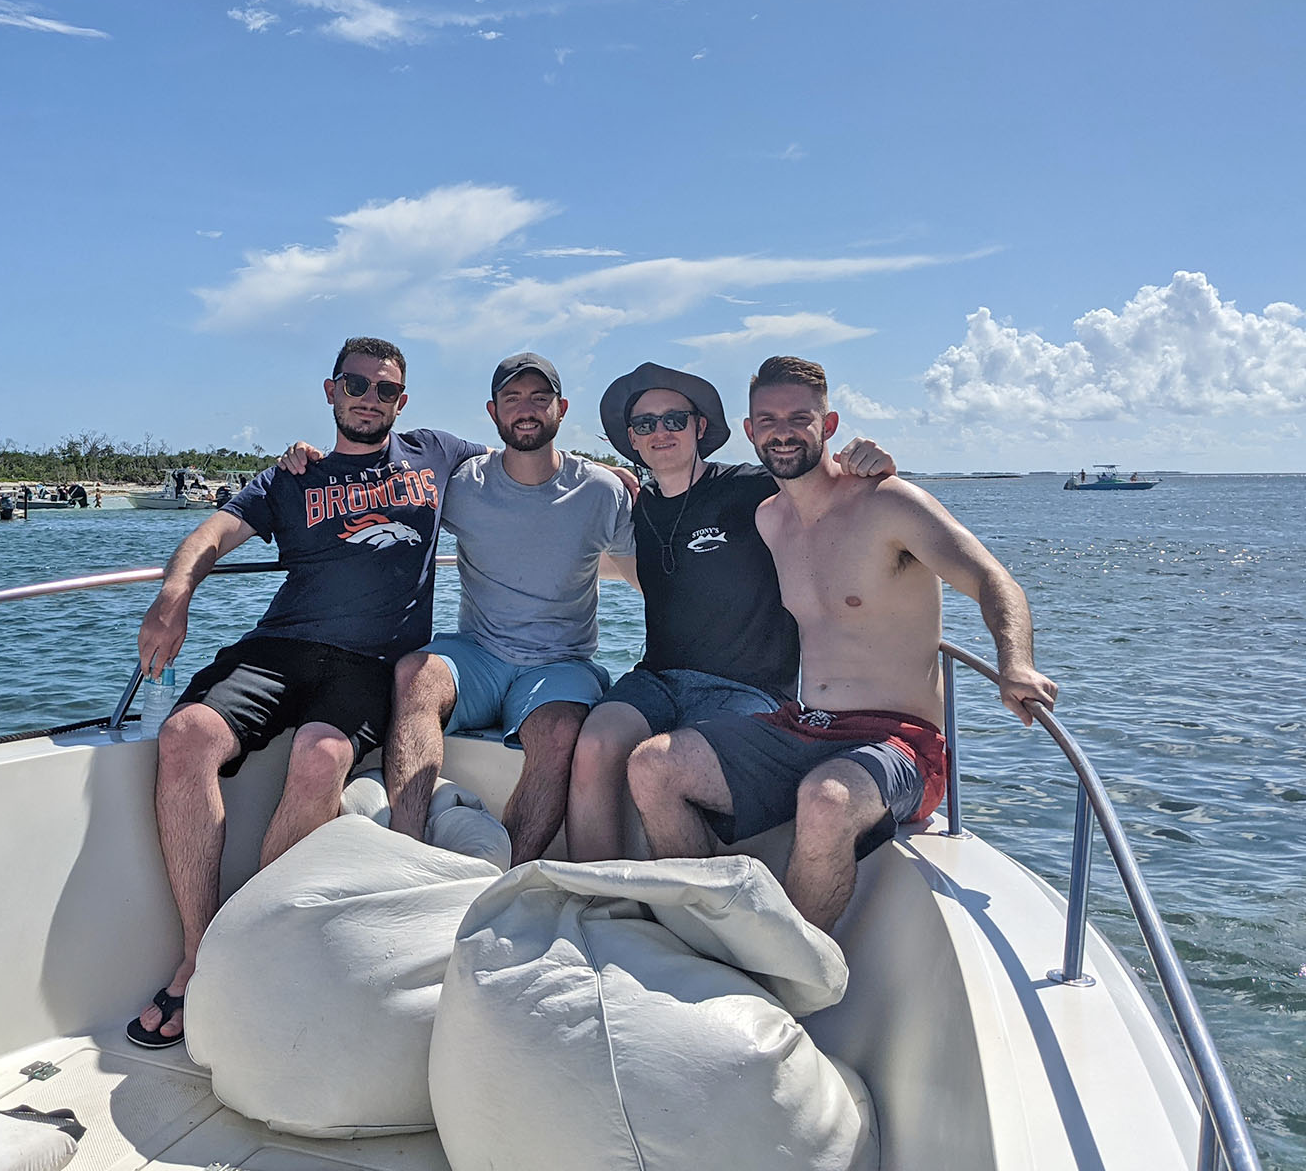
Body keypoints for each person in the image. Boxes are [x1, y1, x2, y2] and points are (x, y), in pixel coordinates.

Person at [126, 337, 485, 1049]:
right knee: (185, 735)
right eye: (356, 384)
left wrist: (609, 474)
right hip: (279, 648)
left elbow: (526, 461)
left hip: (369, 662)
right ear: (331, 390)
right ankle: (200, 954)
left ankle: (249, 945)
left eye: (385, 389)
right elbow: (213, 532)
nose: (369, 398)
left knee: (321, 758)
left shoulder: (436, 452)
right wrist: (176, 591)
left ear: (402, 401)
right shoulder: (294, 474)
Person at [628, 356, 1057, 931]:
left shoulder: (889, 504)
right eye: (768, 420)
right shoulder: (768, 520)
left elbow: (991, 578)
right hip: (807, 725)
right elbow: (685, 538)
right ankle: (707, 933)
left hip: (902, 741)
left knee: (826, 800)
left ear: (828, 426)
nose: (782, 432)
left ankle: (785, 970)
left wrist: (1016, 663)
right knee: (652, 766)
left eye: (799, 418)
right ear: (750, 431)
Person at [565, 362, 893, 861]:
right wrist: (596, 470)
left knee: (670, 770)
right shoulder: (637, 506)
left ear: (700, 427)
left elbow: (828, 490)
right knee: (594, 746)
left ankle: (697, 905)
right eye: (646, 424)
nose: (660, 431)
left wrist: (872, 467)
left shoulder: (753, 489)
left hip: (747, 689)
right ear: (632, 439)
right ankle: (594, 895)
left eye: (674, 419)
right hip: (656, 679)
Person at [381, 353, 637, 865]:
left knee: (560, 732)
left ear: (562, 409)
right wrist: (306, 460)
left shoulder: (601, 490)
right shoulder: (462, 485)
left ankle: (505, 877)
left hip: (561, 663)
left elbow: (648, 580)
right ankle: (406, 856)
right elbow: (377, 478)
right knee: (414, 676)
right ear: (493, 411)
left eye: (540, 398)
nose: (526, 409)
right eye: (512, 398)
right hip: (479, 653)